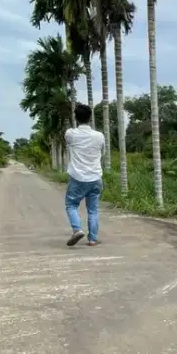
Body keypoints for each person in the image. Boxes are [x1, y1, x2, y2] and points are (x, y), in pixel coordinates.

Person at [64, 103, 105, 247]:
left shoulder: (71, 134)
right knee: (93, 209)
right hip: (95, 178)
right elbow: (102, 153)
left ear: (76, 118)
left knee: (71, 204)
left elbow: (68, 142)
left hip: (78, 178)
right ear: (90, 118)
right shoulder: (99, 136)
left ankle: (77, 229)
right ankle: (93, 239)